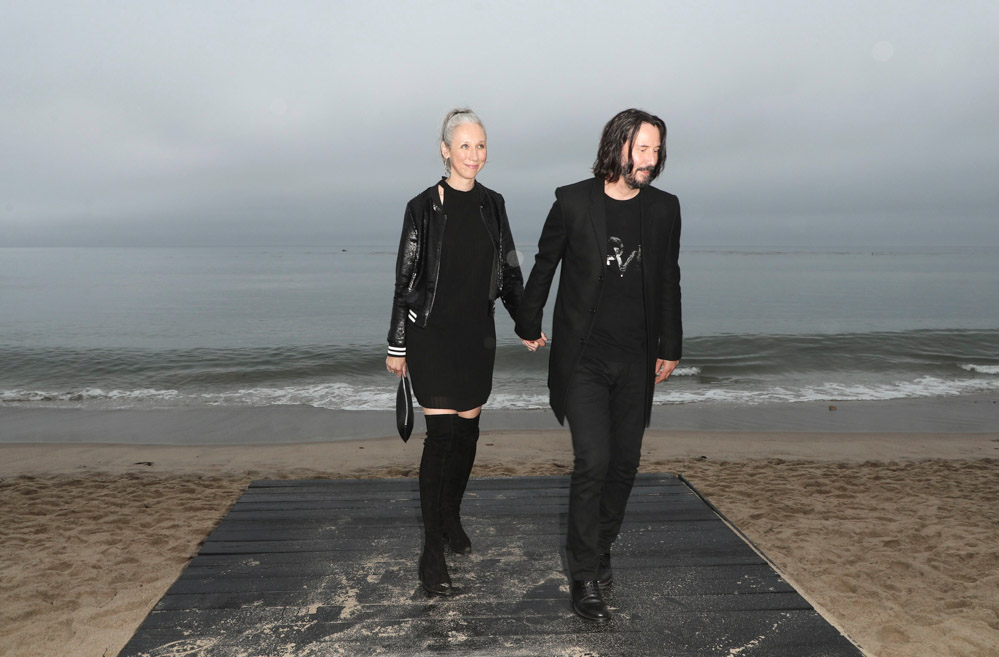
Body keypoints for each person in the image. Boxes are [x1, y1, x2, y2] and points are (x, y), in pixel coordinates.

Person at [515, 108, 682, 621]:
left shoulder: (663, 209)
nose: (650, 160)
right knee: (594, 460)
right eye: (642, 148)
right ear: (617, 145)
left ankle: (602, 544)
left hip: (636, 358)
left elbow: (669, 279)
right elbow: (545, 265)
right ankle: (585, 575)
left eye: (657, 150)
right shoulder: (572, 201)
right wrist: (528, 321)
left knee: (625, 464)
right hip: (583, 355)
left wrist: (670, 345)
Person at [386, 108, 541, 597]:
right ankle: (432, 550)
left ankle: (450, 516)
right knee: (443, 436)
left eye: (481, 145)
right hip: (431, 334)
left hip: (477, 334)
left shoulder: (493, 204)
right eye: (465, 146)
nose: (474, 155)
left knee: (469, 433)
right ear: (445, 150)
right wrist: (397, 344)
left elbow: (511, 270)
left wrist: (526, 321)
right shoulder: (422, 207)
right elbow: (405, 279)